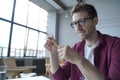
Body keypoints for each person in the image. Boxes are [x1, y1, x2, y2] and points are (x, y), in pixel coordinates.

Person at [44, 2, 120, 80]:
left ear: (95, 21)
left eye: (82, 21)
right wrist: (53, 53)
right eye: (74, 23)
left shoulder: (115, 44)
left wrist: (78, 59)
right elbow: (60, 77)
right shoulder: (76, 48)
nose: (78, 28)